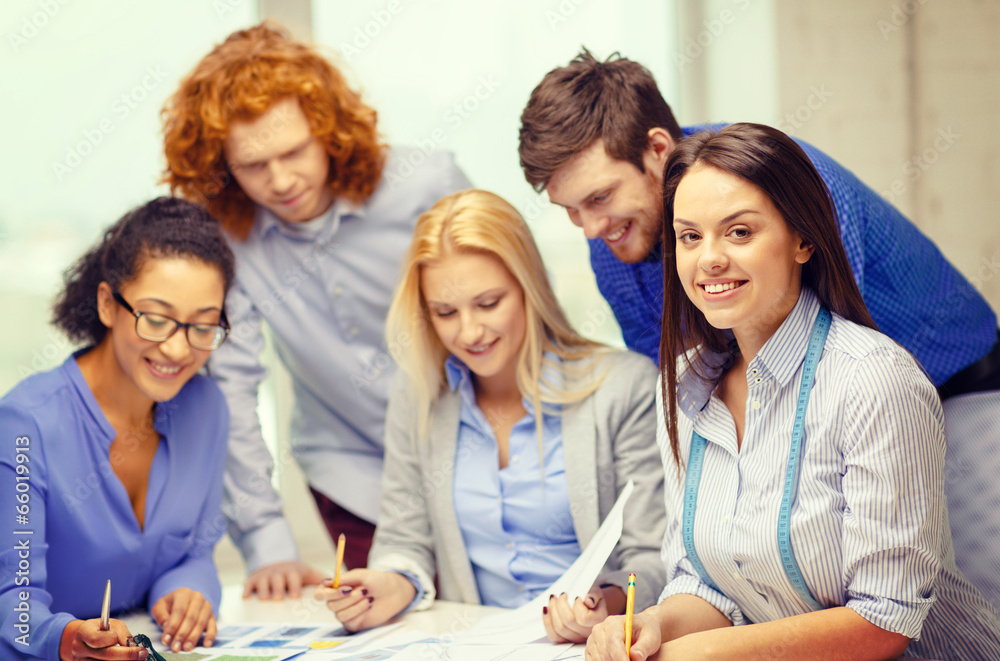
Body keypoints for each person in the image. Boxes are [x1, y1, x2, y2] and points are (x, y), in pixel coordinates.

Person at [518, 50, 1000, 608]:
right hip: (818, 408)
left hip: (957, 383)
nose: (591, 229)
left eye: (599, 198)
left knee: (960, 594)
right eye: (571, 210)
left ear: (656, 149)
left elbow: (816, 356)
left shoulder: (776, 181)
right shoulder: (614, 249)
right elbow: (690, 387)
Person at [584, 123, 1000, 660]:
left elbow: (886, 620)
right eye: (689, 236)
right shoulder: (685, 384)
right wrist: (653, 624)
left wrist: (708, 653)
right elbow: (709, 582)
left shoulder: (874, 379)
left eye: (739, 232)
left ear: (803, 239)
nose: (709, 258)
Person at [161, 22, 472, 600]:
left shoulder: (426, 184)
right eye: (253, 165)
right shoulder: (227, 240)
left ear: (328, 130)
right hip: (348, 477)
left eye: (293, 152)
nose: (280, 181)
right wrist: (267, 540)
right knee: (385, 629)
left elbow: (514, 312)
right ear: (223, 165)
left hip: (471, 454)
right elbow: (230, 388)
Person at [312, 189, 665, 643]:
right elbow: (404, 539)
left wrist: (608, 602)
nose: (469, 332)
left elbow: (653, 556)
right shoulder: (419, 394)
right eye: (445, 312)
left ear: (529, 287)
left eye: (488, 303)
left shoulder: (624, 386)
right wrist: (390, 585)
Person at [0, 198, 236, 660]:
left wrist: (187, 592)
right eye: (156, 319)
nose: (176, 349)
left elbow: (195, 553)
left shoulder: (207, 410)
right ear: (108, 304)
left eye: (203, 325)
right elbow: (13, 599)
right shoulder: (25, 425)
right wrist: (65, 640)